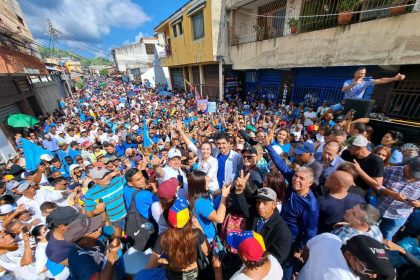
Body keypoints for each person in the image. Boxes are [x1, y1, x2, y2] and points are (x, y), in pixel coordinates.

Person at [146, 198, 209, 279]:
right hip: (194, 273)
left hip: (173, 274)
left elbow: (149, 266)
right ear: (188, 217)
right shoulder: (196, 233)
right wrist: (199, 228)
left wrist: (162, 261)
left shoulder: (163, 237)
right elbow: (207, 252)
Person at [299, 234, 396, 280]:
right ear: (349, 254)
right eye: (367, 269)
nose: (373, 276)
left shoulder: (329, 238)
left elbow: (307, 249)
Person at [377, 157, 420, 240]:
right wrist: (391, 193)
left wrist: (418, 203)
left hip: (399, 215)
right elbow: (377, 185)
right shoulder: (390, 170)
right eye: (413, 174)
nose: (415, 177)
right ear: (408, 166)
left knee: (385, 237)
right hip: (378, 207)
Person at [252, 187, 292, 265]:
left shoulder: (283, 231)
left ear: (274, 205)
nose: (260, 206)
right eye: (258, 202)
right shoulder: (256, 217)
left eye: (265, 203)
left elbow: (277, 258)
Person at [176, 122, 219, 192]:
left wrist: (192, 180)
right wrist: (180, 130)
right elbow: (190, 144)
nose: (205, 151)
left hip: (211, 189)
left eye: (207, 149)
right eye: (203, 149)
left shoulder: (213, 161)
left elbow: (208, 178)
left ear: (211, 151)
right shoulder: (200, 155)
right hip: (200, 187)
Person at [188, 170, 231, 242]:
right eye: (206, 182)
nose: (209, 183)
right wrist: (224, 196)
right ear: (200, 185)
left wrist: (222, 190)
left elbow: (212, 193)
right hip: (207, 238)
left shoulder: (197, 194)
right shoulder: (201, 203)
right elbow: (219, 219)